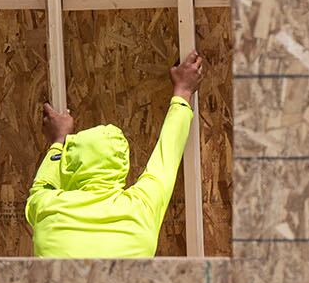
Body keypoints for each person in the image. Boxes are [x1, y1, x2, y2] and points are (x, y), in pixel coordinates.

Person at [27, 52, 206, 258]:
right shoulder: (141, 207)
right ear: (123, 166)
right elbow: (168, 153)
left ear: (68, 166)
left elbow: (42, 184)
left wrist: (59, 140)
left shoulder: (45, 206)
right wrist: (183, 91)